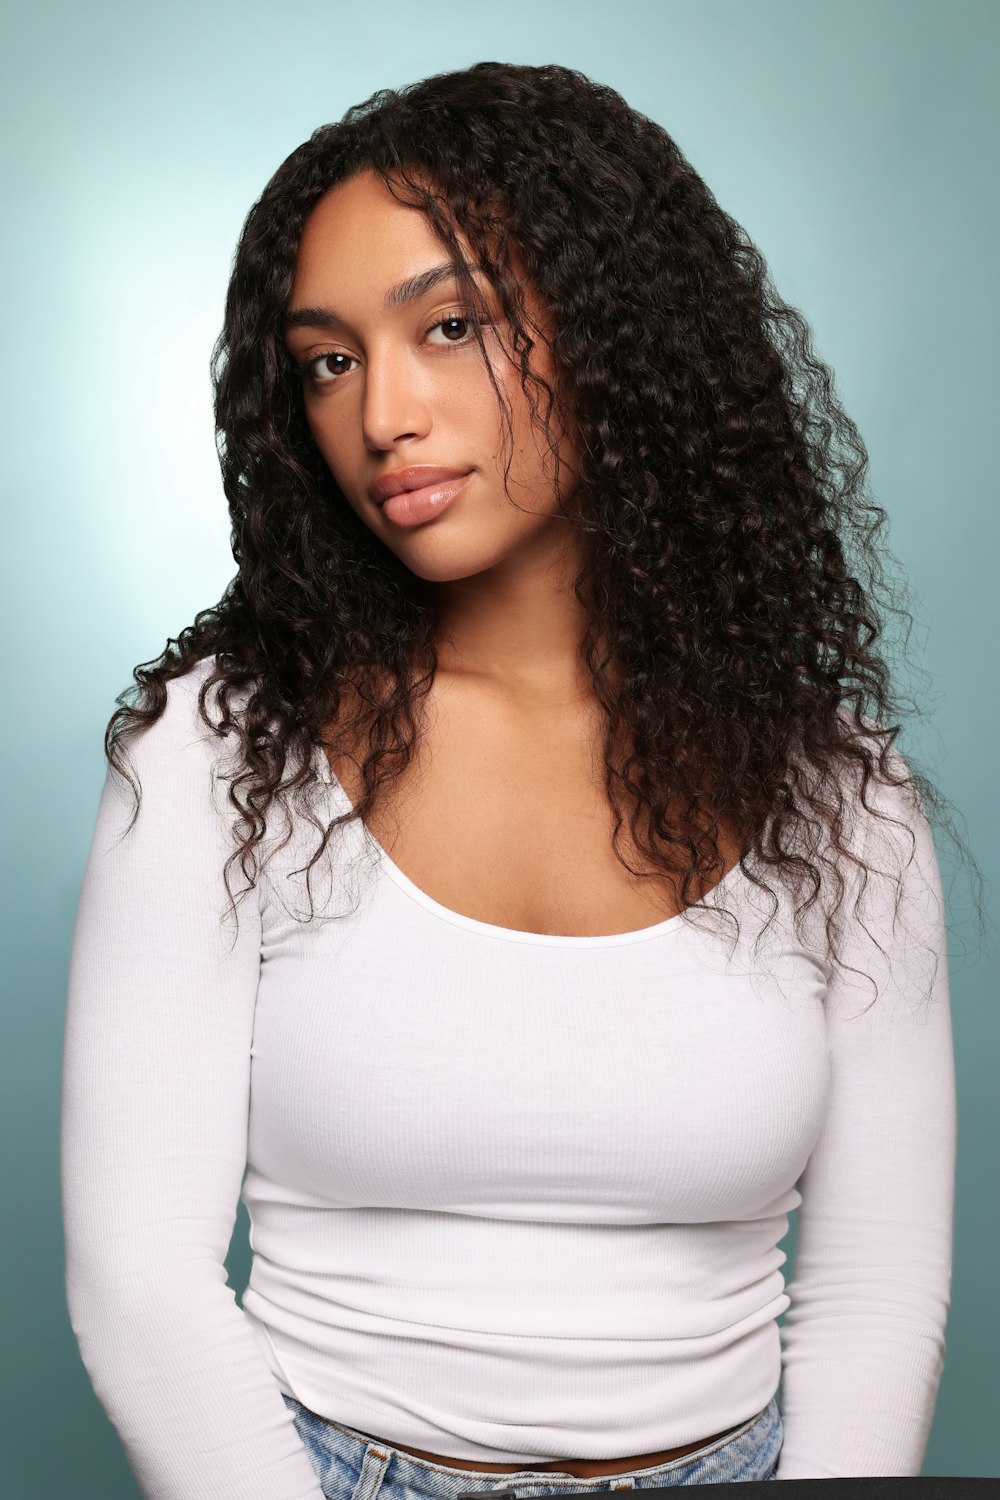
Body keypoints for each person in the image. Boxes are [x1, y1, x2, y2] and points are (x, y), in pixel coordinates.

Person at [61, 61, 960, 1499]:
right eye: (330, 359)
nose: (381, 416)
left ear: (614, 332)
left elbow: (876, 1296)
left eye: (449, 325)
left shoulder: (839, 799)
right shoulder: (224, 751)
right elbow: (139, 1287)